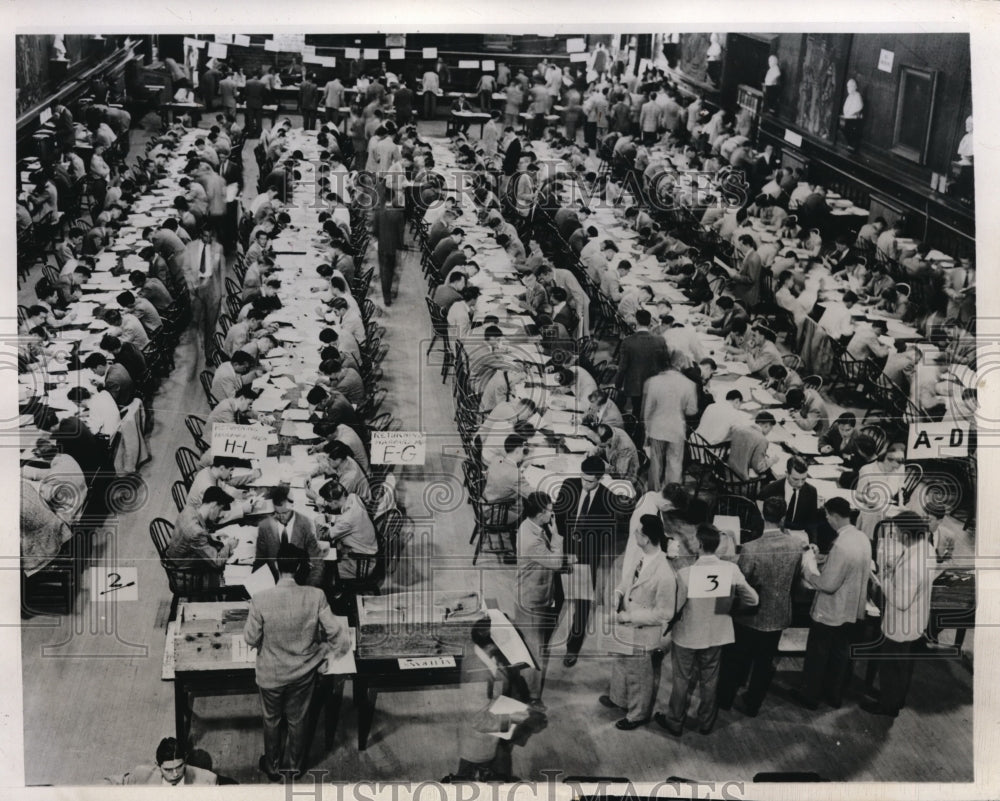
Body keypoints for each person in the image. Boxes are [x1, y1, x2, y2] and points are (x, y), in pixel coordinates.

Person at [245, 543, 351, 780]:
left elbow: (251, 638)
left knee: (271, 721)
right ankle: (294, 768)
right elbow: (336, 633)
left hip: (270, 676)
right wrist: (329, 652)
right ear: (302, 568)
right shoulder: (316, 596)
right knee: (298, 720)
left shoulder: (260, 599)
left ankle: (272, 766)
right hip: (302, 675)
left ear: (276, 565)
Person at [655, 524, 758, 736]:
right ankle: (706, 722)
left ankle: (675, 721)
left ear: (700, 544)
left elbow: (674, 608)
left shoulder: (685, 574)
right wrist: (731, 607)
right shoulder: (731, 570)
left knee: (682, 679)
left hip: (687, 635)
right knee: (710, 680)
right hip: (717, 634)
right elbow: (753, 599)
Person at [718, 497, 804, 716]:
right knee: (764, 664)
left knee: (735, 658)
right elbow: (794, 580)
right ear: (784, 518)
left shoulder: (750, 549)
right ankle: (753, 705)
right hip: (778, 615)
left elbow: (741, 584)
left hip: (750, 616)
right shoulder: (796, 546)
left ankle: (725, 699)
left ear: (762, 515)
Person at [862, 511, 951, 717]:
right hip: (916, 620)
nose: (894, 536)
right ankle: (896, 698)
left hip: (901, 623)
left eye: (897, 532)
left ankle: (887, 706)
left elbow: (901, 601)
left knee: (891, 667)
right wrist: (896, 569)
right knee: (903, 666)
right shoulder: (926, 548)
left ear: (905, 534)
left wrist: (882, 581)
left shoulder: (912, 566)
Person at [600, 514, 676, 729]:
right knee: (622, 664)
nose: (634, 534)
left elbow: (664, 613)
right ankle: (619, 699)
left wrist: (628, 616)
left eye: (637, 532)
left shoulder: (664, 573)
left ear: (646, 538)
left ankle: (637, 714)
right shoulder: (640, 556)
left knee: (640, 676)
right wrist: (617, 592)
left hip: (644, 631)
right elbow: (627, 581)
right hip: (626, 625)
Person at [796, 497, 871, 710]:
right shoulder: (861, 537)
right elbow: (848, 566)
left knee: (817, 656)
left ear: (835, 516)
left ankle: (809, 697)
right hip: (850, 610)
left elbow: (827, 585)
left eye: (828, 515)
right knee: (840, 656)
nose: (827, 520)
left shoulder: (841, 545)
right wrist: (825, 559)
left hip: (831, 612)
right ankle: (834, 695)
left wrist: (809, 571)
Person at [554, 456, 623, 667]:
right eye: (583, 479)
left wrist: (584, 549)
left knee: (583, 603)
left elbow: (609, 534)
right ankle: (545, 633)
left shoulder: (609, 498)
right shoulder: (569, 485)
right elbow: (559, 512)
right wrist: (568, 540)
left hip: (588, 557)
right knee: (557, 595)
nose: (585, 484)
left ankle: (573, 647)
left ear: (600, 478)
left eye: (590, 481)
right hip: (566, 550)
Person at [514, 491, 567, 707]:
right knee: (533, 649)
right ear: (539, 514)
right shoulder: (531, 539)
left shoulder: (529, 525)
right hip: (532, 599)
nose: (552, 513)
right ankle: (533, 696)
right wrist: (556, 537)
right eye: (548, 510)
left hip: (532, 591)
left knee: (532, 644)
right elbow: (555, 563)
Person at [164, 486, 238, 588]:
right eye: (220, 509)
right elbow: (217, 562)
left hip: (175, 560)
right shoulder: (196, 533)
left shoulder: (189, 510)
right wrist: (229, 545)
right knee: (229, 573)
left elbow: (193, 535)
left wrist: (211, 536)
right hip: (184, 575)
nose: (220, 515)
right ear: (213, 505)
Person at [254, 486, 324, 586]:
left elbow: (317, 563)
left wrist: (308, 590)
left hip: (300, 585)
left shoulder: (306, 525)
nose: (281, 517)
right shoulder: (265, 527)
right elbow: (259, 562)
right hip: (273, 586)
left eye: (285, 513)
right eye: (277, 513)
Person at [643, 363, 697, 490]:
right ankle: (672, 494)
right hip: (676, 428)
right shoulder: (689, 384)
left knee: (656, 465)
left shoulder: (654, 381)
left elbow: (648, 409)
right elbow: (692, 411)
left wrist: (647, 429)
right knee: (675, 464)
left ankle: (654, 493)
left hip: (657, 428)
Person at [315, 480, 377, 579]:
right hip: (363, 553)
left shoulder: (347, 520)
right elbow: (345, 518)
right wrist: (331, 518)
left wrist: (320, 513)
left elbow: (323, 536)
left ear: (334, 501)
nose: (326, 504)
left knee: (318, 568)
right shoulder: (353, 497)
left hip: (359, 564)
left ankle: (331, 592)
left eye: (327, 501)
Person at [104, 737, 218, 785]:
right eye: (168, 769)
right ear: (157, 765)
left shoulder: (207, 780)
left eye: (179, 766)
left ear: (185, 761)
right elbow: (109, 783)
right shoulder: (142, 774)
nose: (175, 774)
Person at [854, 443, 907, 538]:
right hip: (871, 511)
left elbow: (901, 488)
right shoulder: (867, 470)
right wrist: (872, 501)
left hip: (890, 509)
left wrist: (902, 504)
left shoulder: (899, 468)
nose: (896, 468)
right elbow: (858, 495)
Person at [759, 457, 820, 537]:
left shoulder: (811, 492)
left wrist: (813, 542)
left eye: (803, 479)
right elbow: (760, 522)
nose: (800, 484)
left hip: (799, 535)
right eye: (795, 479)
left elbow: (812, 522)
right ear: (787, 474)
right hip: (775, 535)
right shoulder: (769, 490)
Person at [728, 412, 780, 480]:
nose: (768, 433)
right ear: (766, 426)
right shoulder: (762, 440)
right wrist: (772, 460)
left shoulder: (738, 429)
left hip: (729, 472)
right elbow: (759, 468)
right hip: (742, 480)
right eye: (769, 430)